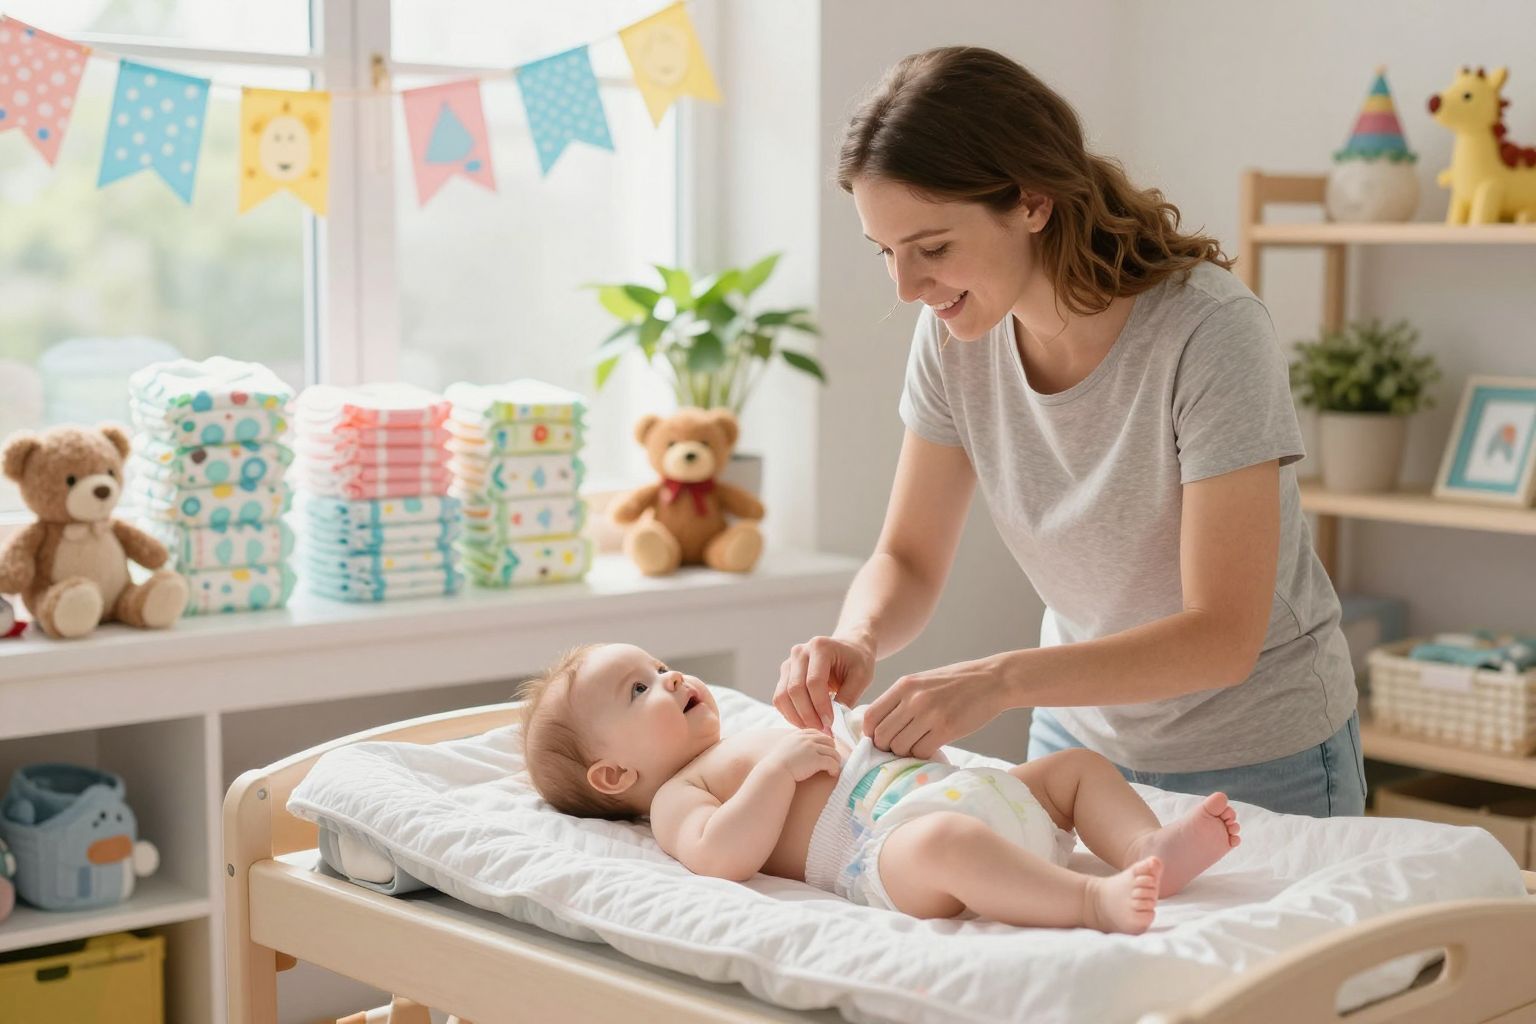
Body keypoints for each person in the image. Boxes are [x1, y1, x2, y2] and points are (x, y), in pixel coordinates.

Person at [774, 45, 1365, 817]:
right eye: (886, 252)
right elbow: (908, 558)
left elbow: (1222, 637)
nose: (908, 288)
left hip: (1260, 756)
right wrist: (857, 638)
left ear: (1031, 201)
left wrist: (1001, 681)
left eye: (933, 249)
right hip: (1077, 746)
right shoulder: (956, 339)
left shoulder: (1208, 332)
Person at [518, 643, 1241, 933]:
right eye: (639, 687)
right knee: (946, 843)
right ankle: (1092, 899)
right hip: (882, 850)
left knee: (1073, 769)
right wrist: (775, 774)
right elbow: (718, 856)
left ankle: (1146, 846)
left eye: (660, 664)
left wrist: (864, 732)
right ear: (614, 776)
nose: (671, 677)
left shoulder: (737, 734)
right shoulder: (679, 794)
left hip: (960, 790)